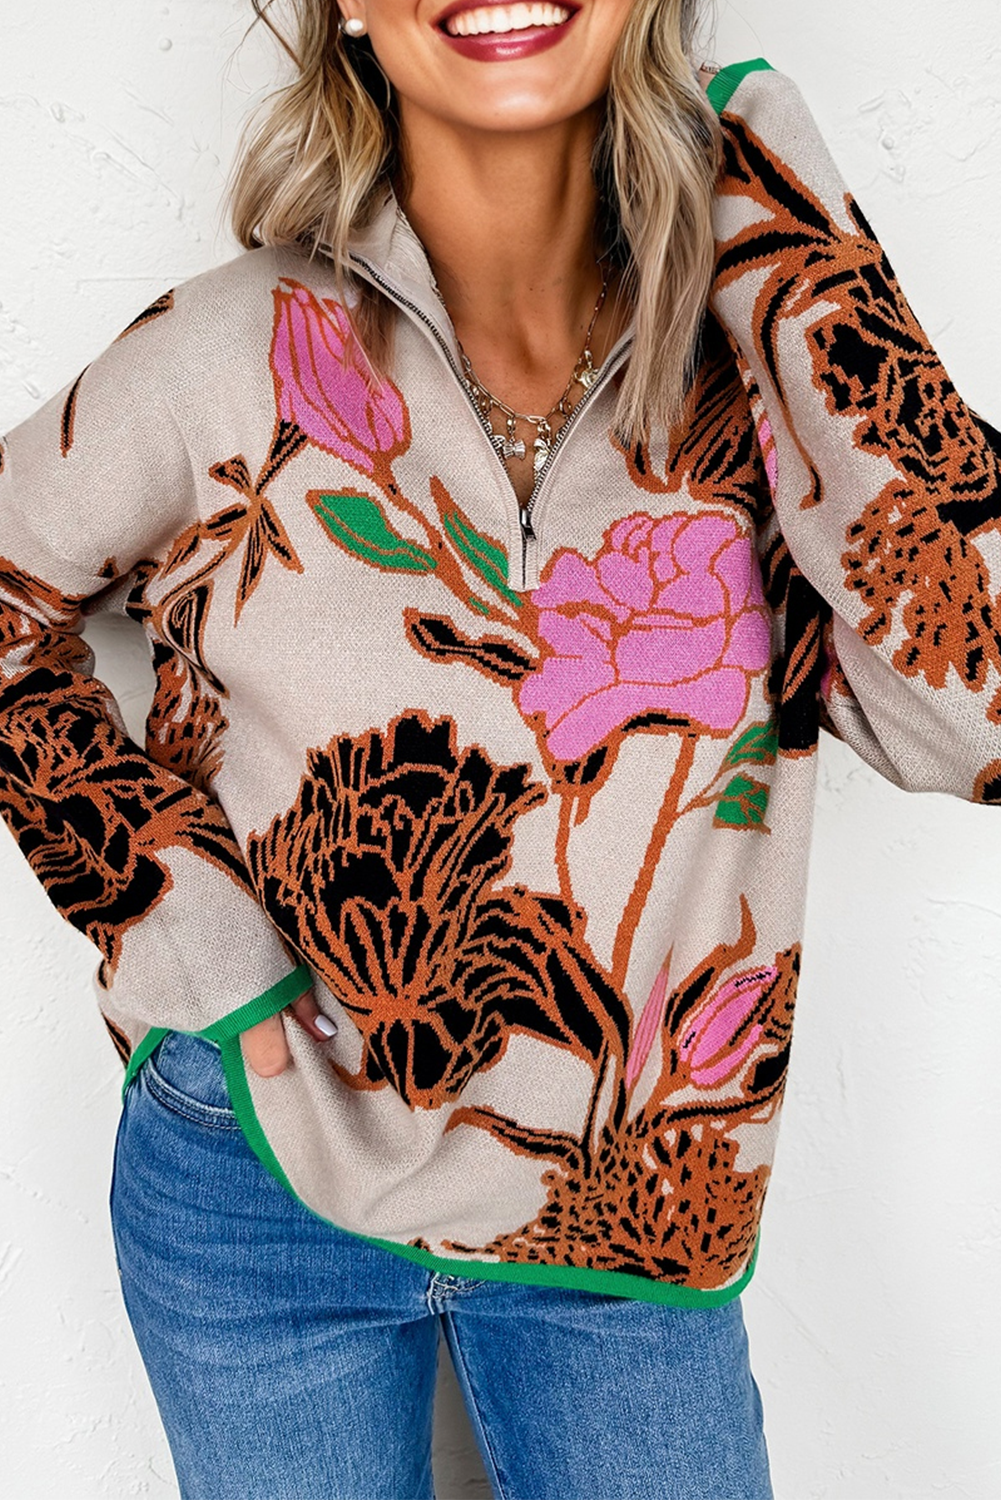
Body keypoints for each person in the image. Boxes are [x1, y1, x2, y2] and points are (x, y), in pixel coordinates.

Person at [0, 1, 997, 1495]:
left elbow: (976, 706)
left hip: (627, 1230)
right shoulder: (227, 348)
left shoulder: (749, 391)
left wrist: (772, 185)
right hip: (256, 1181)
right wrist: (195, 945)